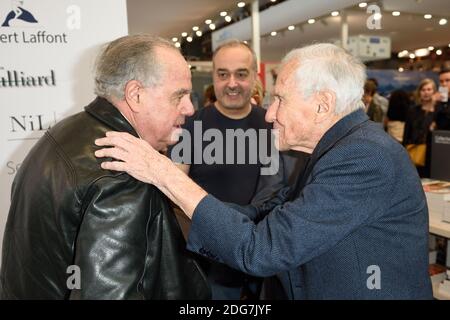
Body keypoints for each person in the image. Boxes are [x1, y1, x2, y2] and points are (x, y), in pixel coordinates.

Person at [95, 43, 432, 299]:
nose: (270, 114)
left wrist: (162, 173)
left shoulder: (364, 157)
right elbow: (265, 214)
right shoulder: (332, 150)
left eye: (281, 100)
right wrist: (181, 213)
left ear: (322, 105)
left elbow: (262, 249)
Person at [0, 35, 210, 299]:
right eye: (178, 96)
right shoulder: (122, 171)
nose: (190, 108)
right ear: (135, 95)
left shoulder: (64, 134)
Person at [168, 40, 280, 300]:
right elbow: (173, 193)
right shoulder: (191, 127)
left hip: (265, 258)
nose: (232, 83)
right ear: (214, 77)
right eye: (223, 74)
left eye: (241, 74)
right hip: (208, 261)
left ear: (254, 76)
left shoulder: (274, 126)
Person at [403, 78, 437, 178]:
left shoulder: (439, 112)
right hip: (416, 152)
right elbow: (407, 133)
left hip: (433, 154)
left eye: (429, 89)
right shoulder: (413, 111)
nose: (426, 92)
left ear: (434, 91)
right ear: (419, 92)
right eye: (423, 90)